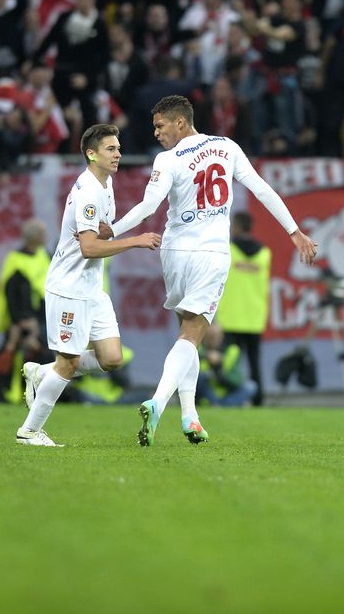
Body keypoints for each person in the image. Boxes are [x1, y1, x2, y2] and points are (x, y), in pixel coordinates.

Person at [108, 95, 318, 447]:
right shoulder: (226, 147)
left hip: (174, 251)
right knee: (192, 335)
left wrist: (111, 230)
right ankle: (158, 402)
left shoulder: (167, 159)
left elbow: (147, 208)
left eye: (160, 125)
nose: (156, 133)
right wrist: (293, 231)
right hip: (210, 251)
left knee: (185, 334)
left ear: (180, 122)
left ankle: (190, 417)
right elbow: (262, 190)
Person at [15, 124, 162, 446]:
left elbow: (100, 232)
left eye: (119, 148)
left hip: (91, 289)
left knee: (111, 359)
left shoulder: (104, 185)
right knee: (67, 363)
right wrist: (134, 240)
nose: (119, 154)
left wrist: (113, 230)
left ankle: (42, 373)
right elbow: (89, 248)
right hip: (69, 288)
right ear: (91, 154)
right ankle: (29, 431)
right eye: (111, 149)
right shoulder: (88, 192)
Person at [0, 218, 51, 403]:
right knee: (15, 356)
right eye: (42, 233)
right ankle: (10, 392)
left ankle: (39, 394)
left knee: (44, 356)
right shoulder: (15, 259)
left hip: (43, 317)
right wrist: (19, 321)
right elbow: (10, 294)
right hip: (21, 320)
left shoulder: (44, 255)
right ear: (35, 237)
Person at [218, 212, 271, 405]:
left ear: (237, 227)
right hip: (255, 317)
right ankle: (258, 400)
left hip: (230, 316)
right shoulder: (265, 253)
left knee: (229, 362)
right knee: (254, 363)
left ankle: (229, 398)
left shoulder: (229, 250)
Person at [196, 322, 256, 407]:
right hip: (206, 392)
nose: (213, 339)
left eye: (215, 336)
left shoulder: (232, 350)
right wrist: (206, 357)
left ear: (222, 336)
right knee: (198, 377)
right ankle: (218, 403)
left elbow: (237, 380)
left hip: (225, 389)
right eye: (210, 336)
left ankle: (220, 404)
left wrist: (220, 371)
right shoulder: (198, 350)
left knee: (250, 387)